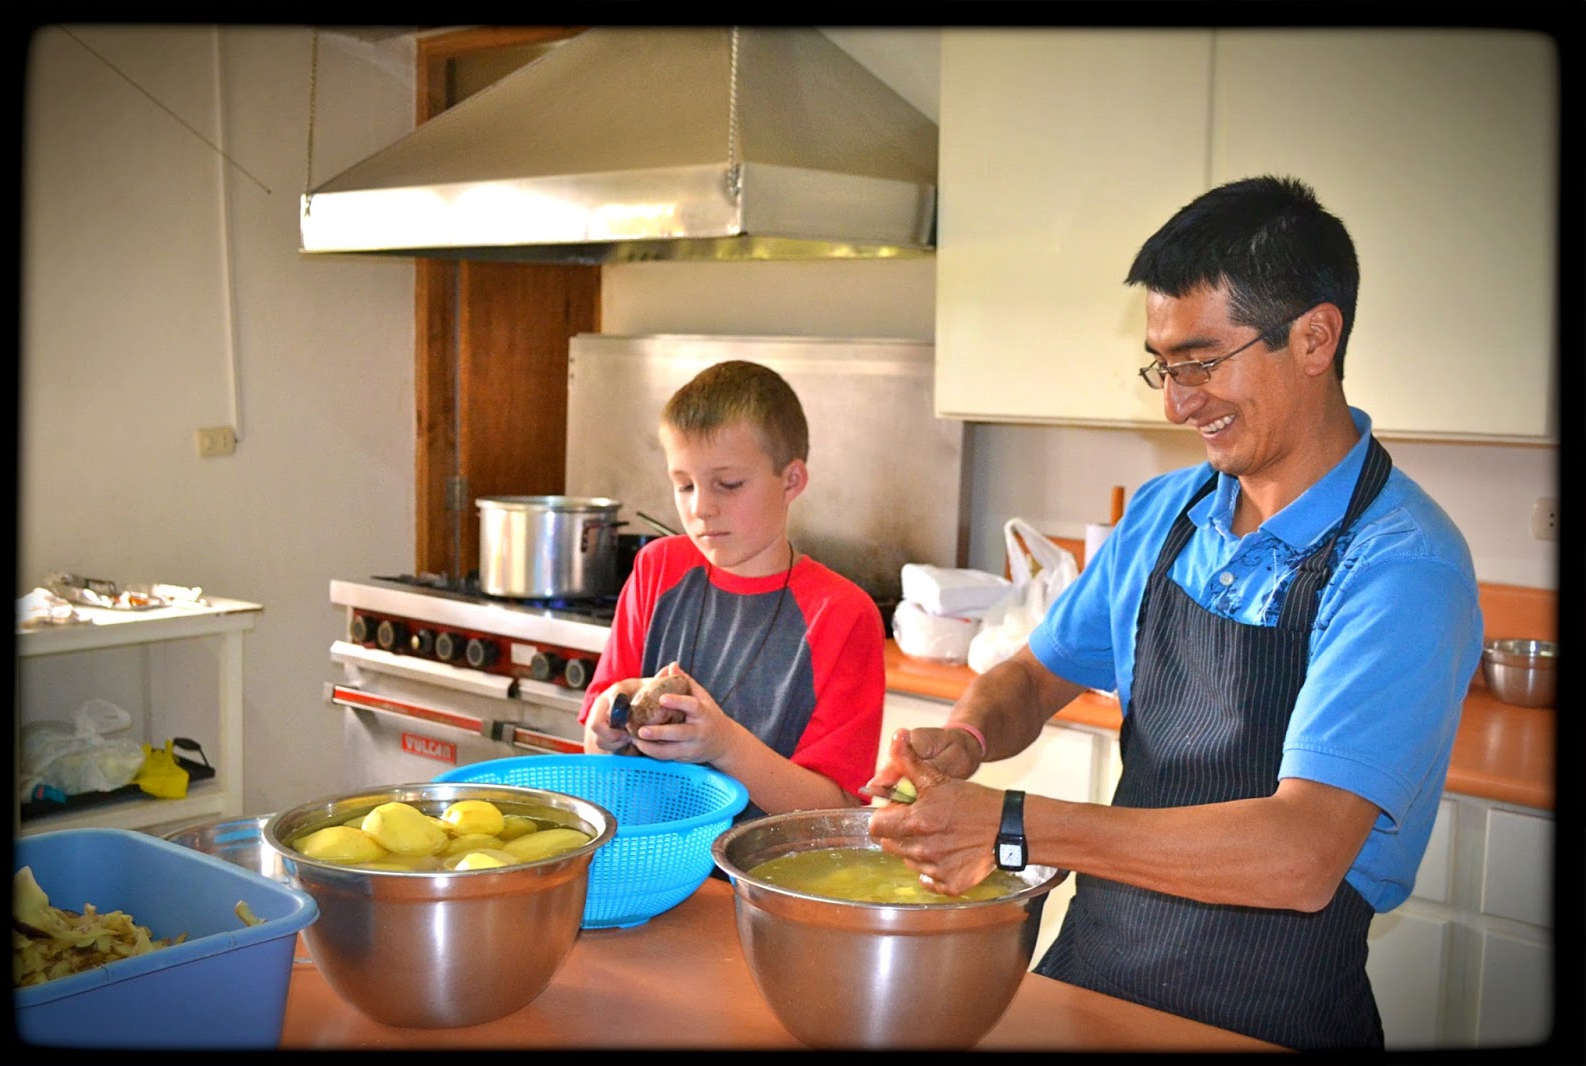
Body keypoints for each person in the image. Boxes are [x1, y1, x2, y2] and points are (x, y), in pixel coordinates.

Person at [865, 175, 1483, 1051]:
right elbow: (1034, 676)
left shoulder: (1403, 567)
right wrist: (966, 737)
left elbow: (1302, 855)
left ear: (1315, 337)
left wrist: (1009, 825)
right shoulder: (1165, 515)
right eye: (1164, 364)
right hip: (1096, 980)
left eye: (1201, 361)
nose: (1176, 401)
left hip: (1269, 1019)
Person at [579, 359, 887, 820]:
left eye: (728, 484)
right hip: (652, 850)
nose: (701, 508)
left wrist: (724, 745)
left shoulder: (842, 614)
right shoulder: (656, 569)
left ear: (791, 481)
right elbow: (594, 747)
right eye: (684, 485)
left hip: (762, 864)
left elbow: (837, 812)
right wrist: (609, 722)